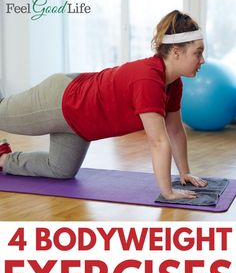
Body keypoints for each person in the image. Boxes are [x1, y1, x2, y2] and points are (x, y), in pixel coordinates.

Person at [0, 10, 207, 200]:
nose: (202, 60)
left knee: (60, 170)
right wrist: (167, 192)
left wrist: (184, 172)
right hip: (60, 101)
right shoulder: (148, 79)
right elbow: (159, 142)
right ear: (176, 51)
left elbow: (175, 131)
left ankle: (3, 158)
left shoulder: (173, 84)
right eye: (198, 53)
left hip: (80, 127)